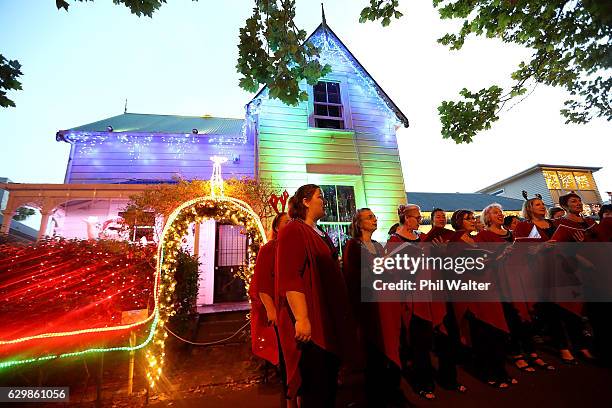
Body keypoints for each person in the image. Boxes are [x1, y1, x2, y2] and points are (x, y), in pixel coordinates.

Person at [276, 184, 355, 407]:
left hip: (329, 319)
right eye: (320, 197)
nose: (325, 201)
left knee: (329, 383)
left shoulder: (319, 233)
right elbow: (291, 276)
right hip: (315, 323)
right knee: (317, 386)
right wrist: (302, 318)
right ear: (306, 201)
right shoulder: (294, 230)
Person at [477, 203, 554, 373]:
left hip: (521, 278)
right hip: (500, 281)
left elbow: (524, 253)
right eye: (495, 213)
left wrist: (534, 250)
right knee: (511, 316)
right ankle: (516, 353)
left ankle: (531, 352)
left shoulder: (513, 234)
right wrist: (500, 255)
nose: (499, 215)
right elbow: (481, 260)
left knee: (527, 317)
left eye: (501, 212)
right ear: (487, 217)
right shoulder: (483, 235)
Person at [450, 209, 514, 388]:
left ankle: (500, 371)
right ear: (458, 221)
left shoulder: (475, 239)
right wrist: (489, 261)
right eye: (467, 218)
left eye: (473, 217)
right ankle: (488, 372)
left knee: (496, 332)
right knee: (483, 335)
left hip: (488, 289)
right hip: (473, 292)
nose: (472, 220)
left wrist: (497, 258)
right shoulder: (456, 240)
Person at [342, 208, 388, 406]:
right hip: (363, 304)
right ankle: (371, 397)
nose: (374, 219)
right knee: (369, 350)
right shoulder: (353, 245)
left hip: (380, 301)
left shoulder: (378, 245)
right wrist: (377, 267)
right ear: (359, 223)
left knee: (381, 351)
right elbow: (354, 276)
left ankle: (382, 392)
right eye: (369, 217)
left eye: (374, 216)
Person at [250, 211, 292, 406]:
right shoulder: (269, 249)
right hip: (280, 311)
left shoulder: (294, 247)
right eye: (286, 222)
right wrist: (271, 310)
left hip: (294, 310)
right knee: (286, 359)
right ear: (276, 227)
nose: (290, 224)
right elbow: (262, 284)